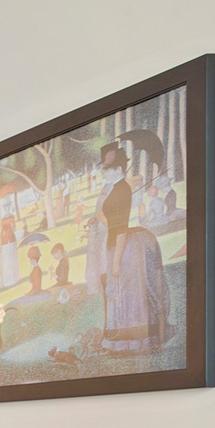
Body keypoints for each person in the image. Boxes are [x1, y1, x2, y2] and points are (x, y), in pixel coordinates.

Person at [93, 143, 169, 353]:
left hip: (122, 249)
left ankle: (130, 341)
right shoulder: (115, 188)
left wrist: (116, 261)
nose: (103, 172)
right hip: (114, 244)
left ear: (117, 169)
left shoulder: (122, 190)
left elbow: (122, 229)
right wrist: (102, 218)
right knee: (116, 292)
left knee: (124, 292)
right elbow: (109, 219)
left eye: (106, 169)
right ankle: (120, 341)